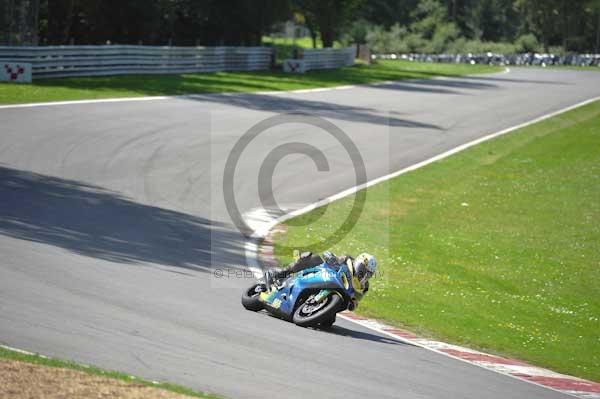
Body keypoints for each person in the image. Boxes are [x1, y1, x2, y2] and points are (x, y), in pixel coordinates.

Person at [264, 250, 377, 309]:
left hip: (338, 296)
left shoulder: (364, 286)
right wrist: (331, 258)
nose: (364, 275)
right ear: (358, 263)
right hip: (327, 276)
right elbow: (330, 256)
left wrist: (353, 303)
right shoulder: (347, 260)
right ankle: (280, 274)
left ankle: (316, 310)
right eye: (363, 270)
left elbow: (356, 302)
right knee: (313, 258)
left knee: (328, 322)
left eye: (368, 274)